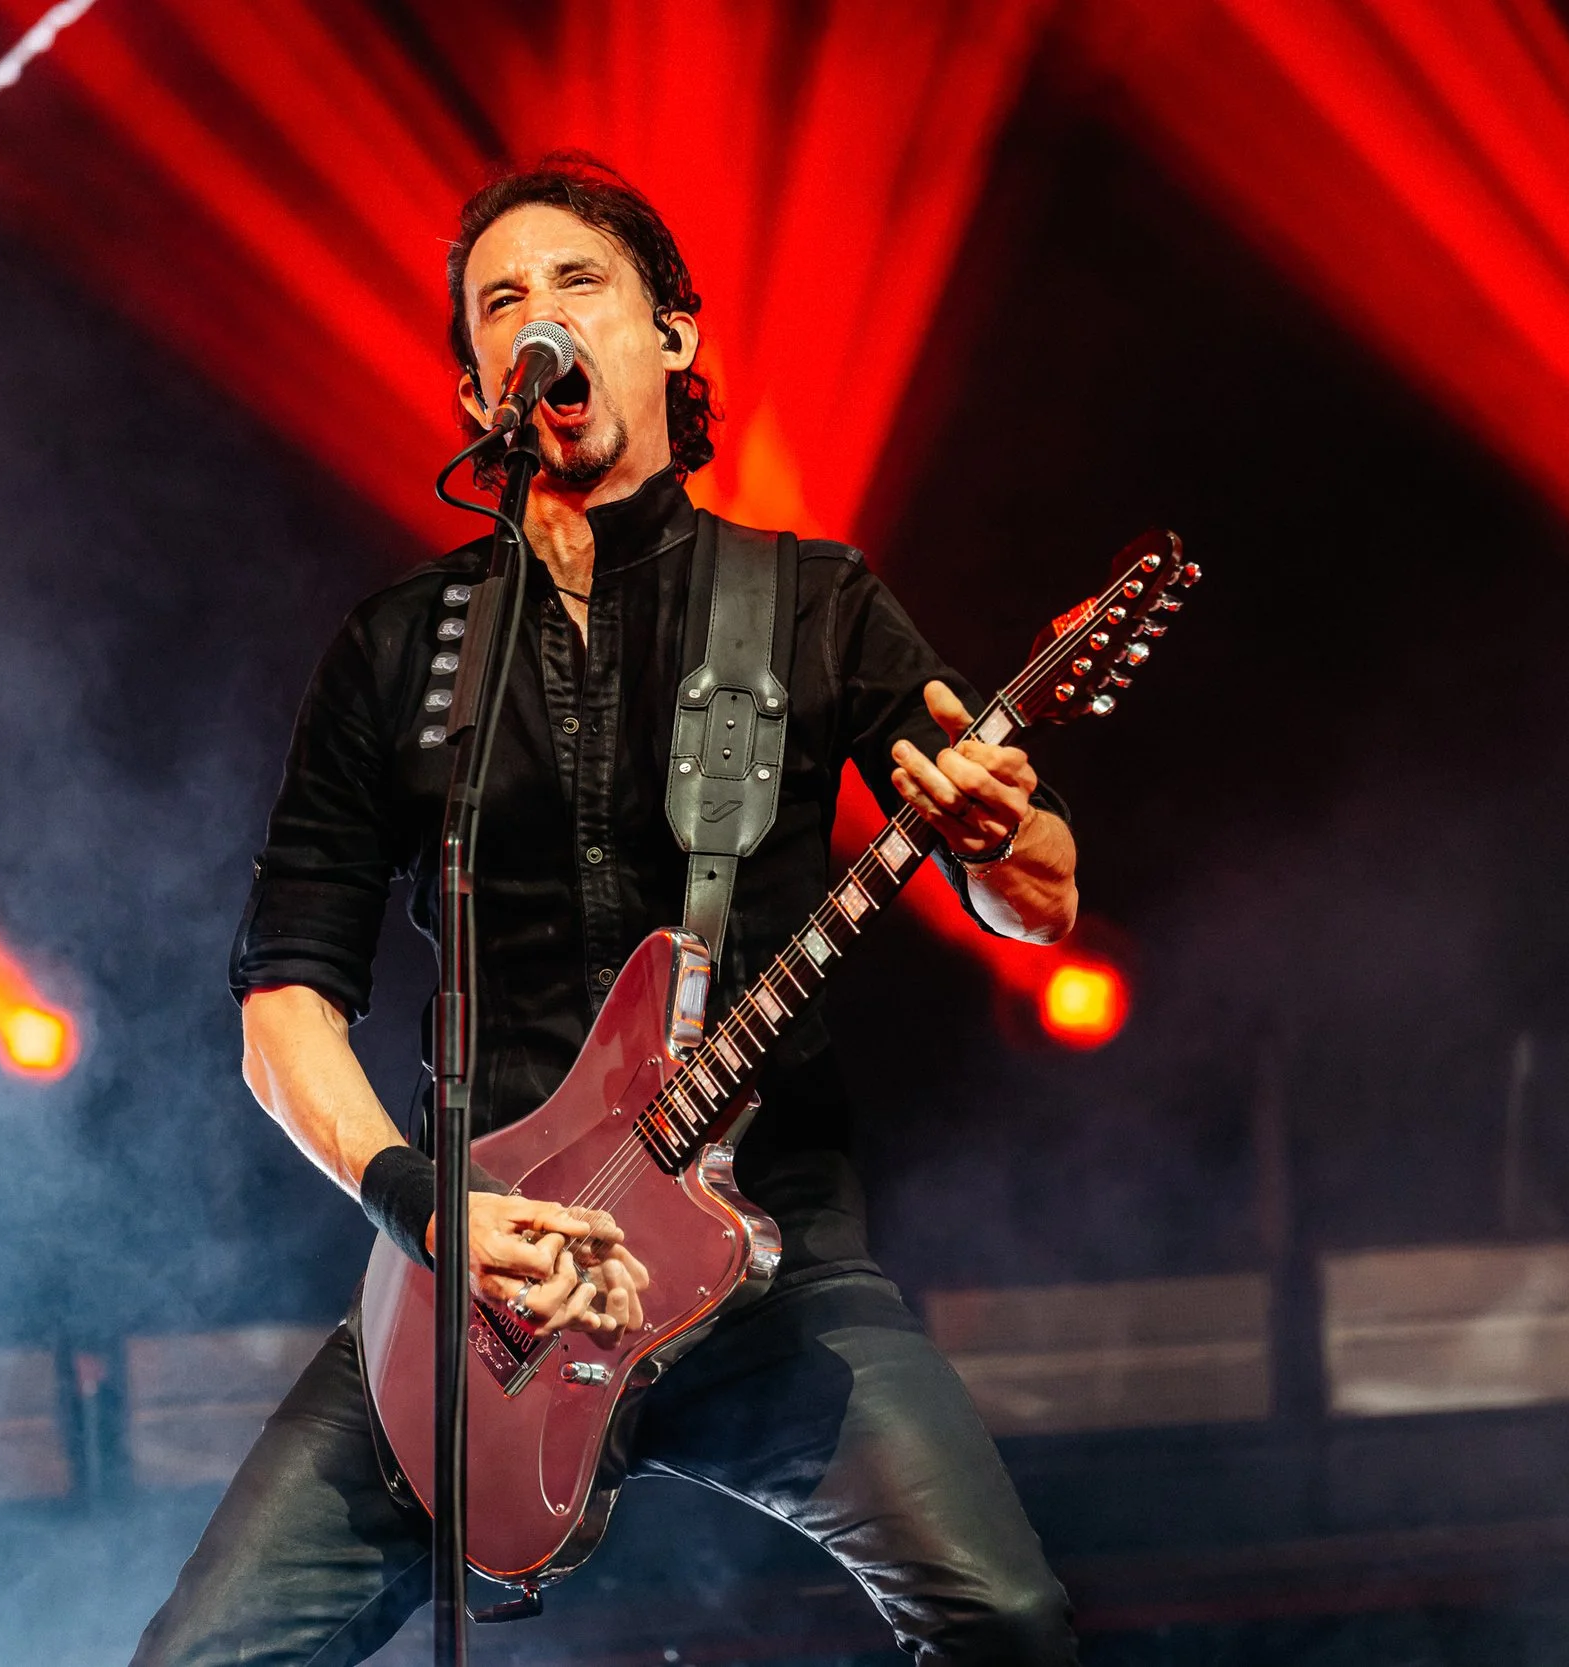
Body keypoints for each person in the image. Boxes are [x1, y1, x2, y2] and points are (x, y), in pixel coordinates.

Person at [130, 154, 1084, 1666]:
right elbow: (284, 999)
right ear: (476, 390)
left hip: (769, 1269)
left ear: (673, 336)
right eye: (500, 300)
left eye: (580, 283)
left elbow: (1040, 899)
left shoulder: (813, 602)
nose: (541, 316)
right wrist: (423, 1205)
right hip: (480, 1285)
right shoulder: (397, 649)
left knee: (1010, 1620)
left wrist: (998, 833)